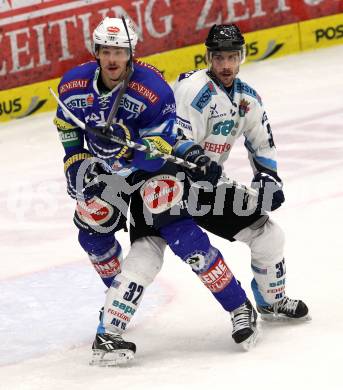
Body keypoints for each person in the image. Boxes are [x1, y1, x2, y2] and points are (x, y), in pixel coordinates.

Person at [54, 17, 258, 367]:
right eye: (106, 50)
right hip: (106, 171)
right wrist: (75, 162)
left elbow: (163, 144)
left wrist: (130, 151)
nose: (113, 58)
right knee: (91, 229)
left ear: (130, 53)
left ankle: (239, 306)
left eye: (119, 51)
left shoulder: (152, 88)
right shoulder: (73, 84)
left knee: (184, 238)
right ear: (97, 52)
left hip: (151, 169)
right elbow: (66, 126)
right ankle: (115, 299)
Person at [122, 23, 310, 347]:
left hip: (205, 189)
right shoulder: (192, 89)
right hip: (167, 186)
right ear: (209, 57)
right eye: (219, 57)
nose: (225, 65)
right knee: (148, 256)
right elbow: (174, 138)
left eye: (232, 57)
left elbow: (262, 143)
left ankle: (271, 301)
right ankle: (110, 328)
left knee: (269, 234)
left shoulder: (247, 99)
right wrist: (196, 160)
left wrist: (267, 178)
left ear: (241, 57)